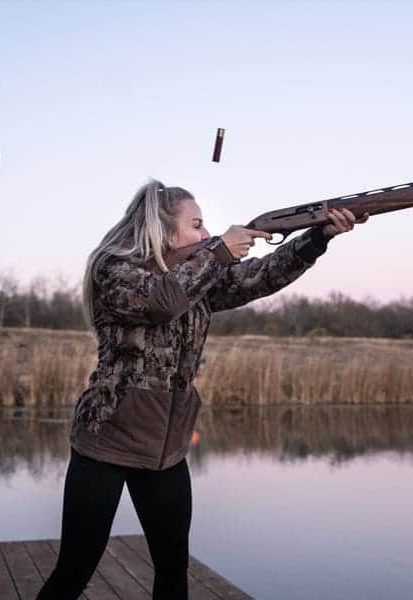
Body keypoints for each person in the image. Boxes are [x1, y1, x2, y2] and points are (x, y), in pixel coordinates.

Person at [37, 180, 366, 599]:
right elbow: (163, 300)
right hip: (108, 440)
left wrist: (318, 237)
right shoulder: (114, 271)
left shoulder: (199, 275)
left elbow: (261, 277)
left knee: (173, 567)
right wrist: (222, 250)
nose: (207, 235)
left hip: (167, 447)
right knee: (74, 571)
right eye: (196, 225)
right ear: (164, 231)